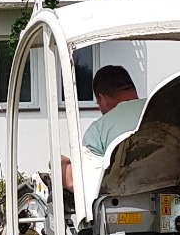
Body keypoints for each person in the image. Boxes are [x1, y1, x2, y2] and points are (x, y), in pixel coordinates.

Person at [60, 64, 143, 192]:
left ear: (102, 99)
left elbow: (82, 184)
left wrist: (62, 164)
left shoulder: (98, 131)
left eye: (98, 103)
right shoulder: (160, 110)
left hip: (121, 205)